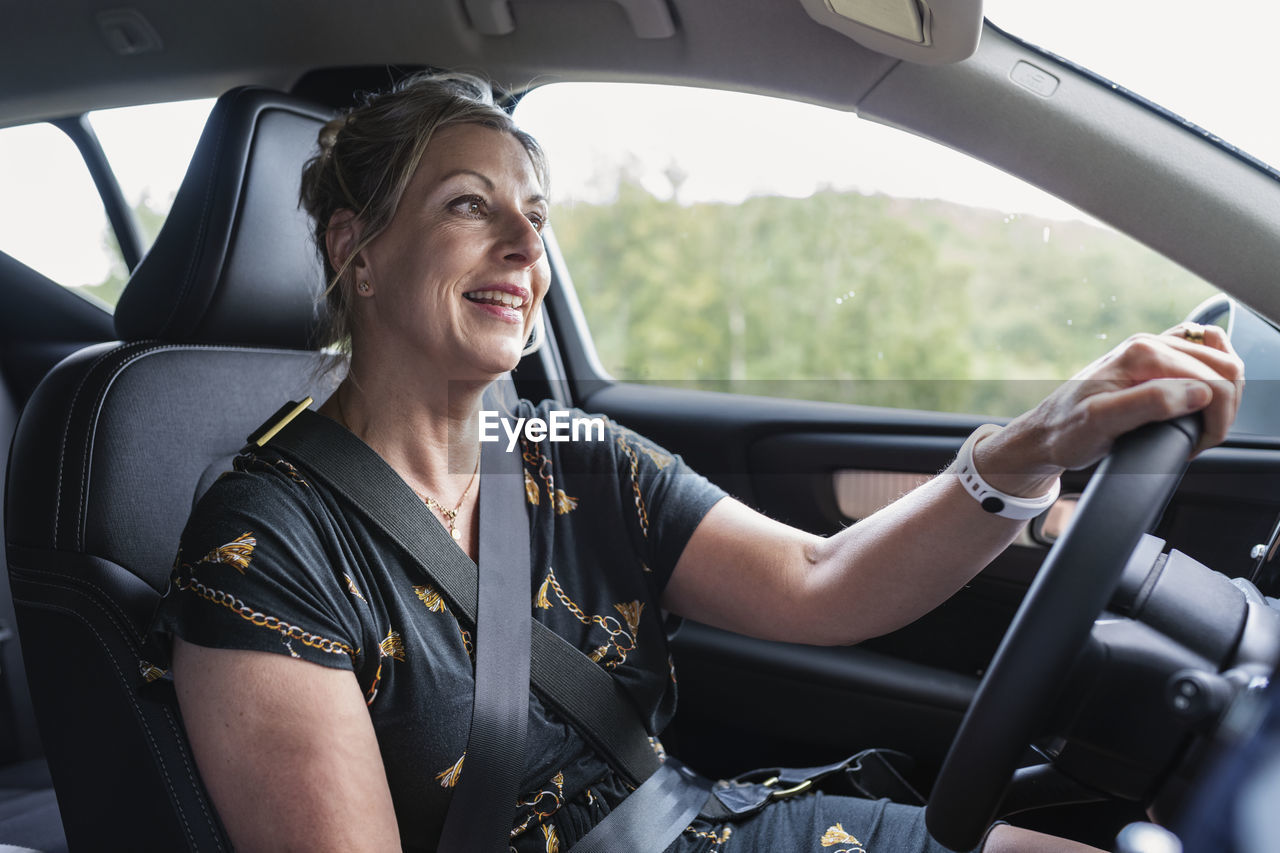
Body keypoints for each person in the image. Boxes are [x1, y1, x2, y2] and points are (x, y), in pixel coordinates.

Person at [149, 72, 1244, 853]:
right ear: (356, 249)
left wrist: (1031, 445)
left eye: (535, 216)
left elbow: (823, 585)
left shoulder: (576, 457)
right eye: (468, 207)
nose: (527, 251)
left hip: (707, 824)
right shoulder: (264, 546)